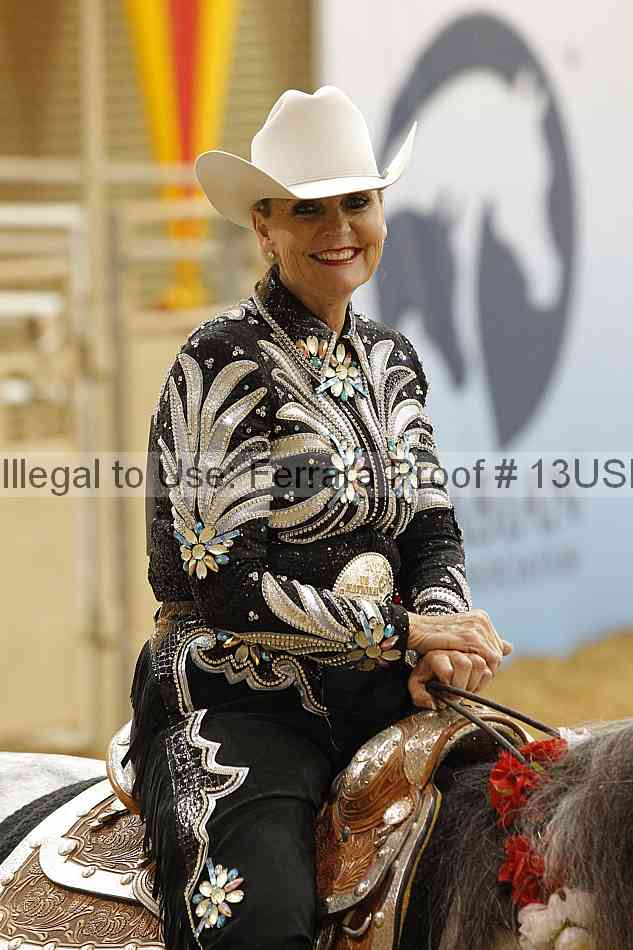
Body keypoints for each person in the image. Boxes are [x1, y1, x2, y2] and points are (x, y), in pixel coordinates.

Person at [126, 85, 512, 949]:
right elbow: (224, 586)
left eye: (356, 202)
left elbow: (429, 531)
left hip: (382, 695)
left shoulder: (390, 357)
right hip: (237, 702)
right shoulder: (220, 360)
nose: (338, 227)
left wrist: (442, 637)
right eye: (308, 209)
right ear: (263, 226)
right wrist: (405, 632)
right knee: (259, 927)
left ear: (381, 213)